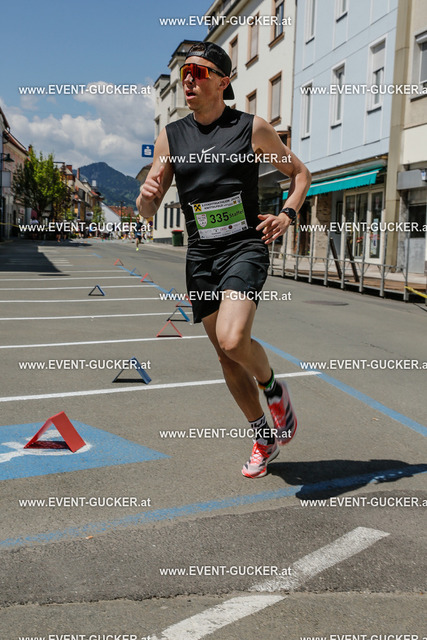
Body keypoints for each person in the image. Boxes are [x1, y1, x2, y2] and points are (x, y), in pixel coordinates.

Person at [137, 42, 311, 478]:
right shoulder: (171, 136)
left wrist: (288, 214)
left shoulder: (252, 128)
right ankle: (263, 437)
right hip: (201, 256)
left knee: (234, 341)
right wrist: (145, 199)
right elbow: (148, 209)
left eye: (198, 72)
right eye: (184, 74)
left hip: (244, 247)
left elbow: (300, 174)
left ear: (222, 81)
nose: (189, 80)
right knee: (225, 357)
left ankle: (272, 387)